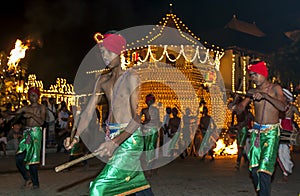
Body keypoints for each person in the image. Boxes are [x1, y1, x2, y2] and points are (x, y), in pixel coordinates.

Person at [65, 32, 154, 195]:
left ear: (119, 52)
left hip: (129, 139)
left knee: (98, 189)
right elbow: (87, 113)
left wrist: (116, 142)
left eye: (108, 51)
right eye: (102, 52)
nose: (104, 56)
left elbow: (137, 117)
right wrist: (75, 137)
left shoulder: (131, 77)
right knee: (133, 183)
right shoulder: (102, 80)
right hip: (111, 135)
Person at [232, 61, 285, 195]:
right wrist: (235, 107)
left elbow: (283, 107)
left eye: (255, 74)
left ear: (263, 73)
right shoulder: (252, 91)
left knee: (264, 170)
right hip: (256, 133)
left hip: (271, 133)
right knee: (254, 170)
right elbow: (241, 107)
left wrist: (266, 97)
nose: (253, 78)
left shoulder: (275, 89)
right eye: (251, 75)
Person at [15, 87, 46, 189]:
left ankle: (35, 183)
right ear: (28, 96)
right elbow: (15, 114)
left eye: (35, 94)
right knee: (19, 158)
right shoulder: (26, 107)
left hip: (36, 133)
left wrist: (32, 115)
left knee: (33, 159)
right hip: (27, 133)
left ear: (38, 96)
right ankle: (27, 178)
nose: (33, 97)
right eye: (31, 94)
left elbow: (42, 122)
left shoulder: (42, 108)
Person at [277, 88, 300, 182]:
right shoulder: (279, 106)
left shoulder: (292, 107)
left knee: (284, 151)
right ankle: (286, 169)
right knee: (279, 152)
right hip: (279, 128)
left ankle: (286, 170)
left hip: (288, 130)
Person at [231, 99, 253, 169]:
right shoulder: (236, 111)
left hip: (244, 129)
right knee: (240, 147)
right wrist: (234, 126)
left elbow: (253, 120)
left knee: (241, 147)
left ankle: (238, 162)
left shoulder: (248, 113)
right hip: (239, 129)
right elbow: (232, 122)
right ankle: (245, 159)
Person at [140, 93, 160, 169]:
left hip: (151, 128)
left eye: (151, 100)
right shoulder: (145, 110)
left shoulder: (154, 110)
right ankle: (149, 162)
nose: (150, 102)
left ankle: (149, 162)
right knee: (148, 145)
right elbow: (139, 119)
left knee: (150, 145)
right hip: (148, 129)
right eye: (149, 101)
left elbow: (157, 120)